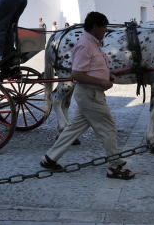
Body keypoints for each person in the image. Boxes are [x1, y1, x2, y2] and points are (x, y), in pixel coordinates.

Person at [40, 11, 134, 180]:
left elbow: (93, 67)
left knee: (73, 129)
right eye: (104, 28)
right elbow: (77, 73)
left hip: (89, 94)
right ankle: (114, 166)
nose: (105, 31)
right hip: (90, 94)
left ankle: (49, 158)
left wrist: (108, 75)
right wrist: (102, 82)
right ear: (95, 27)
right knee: (108, 128)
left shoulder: (93, 43)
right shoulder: (85, 45)